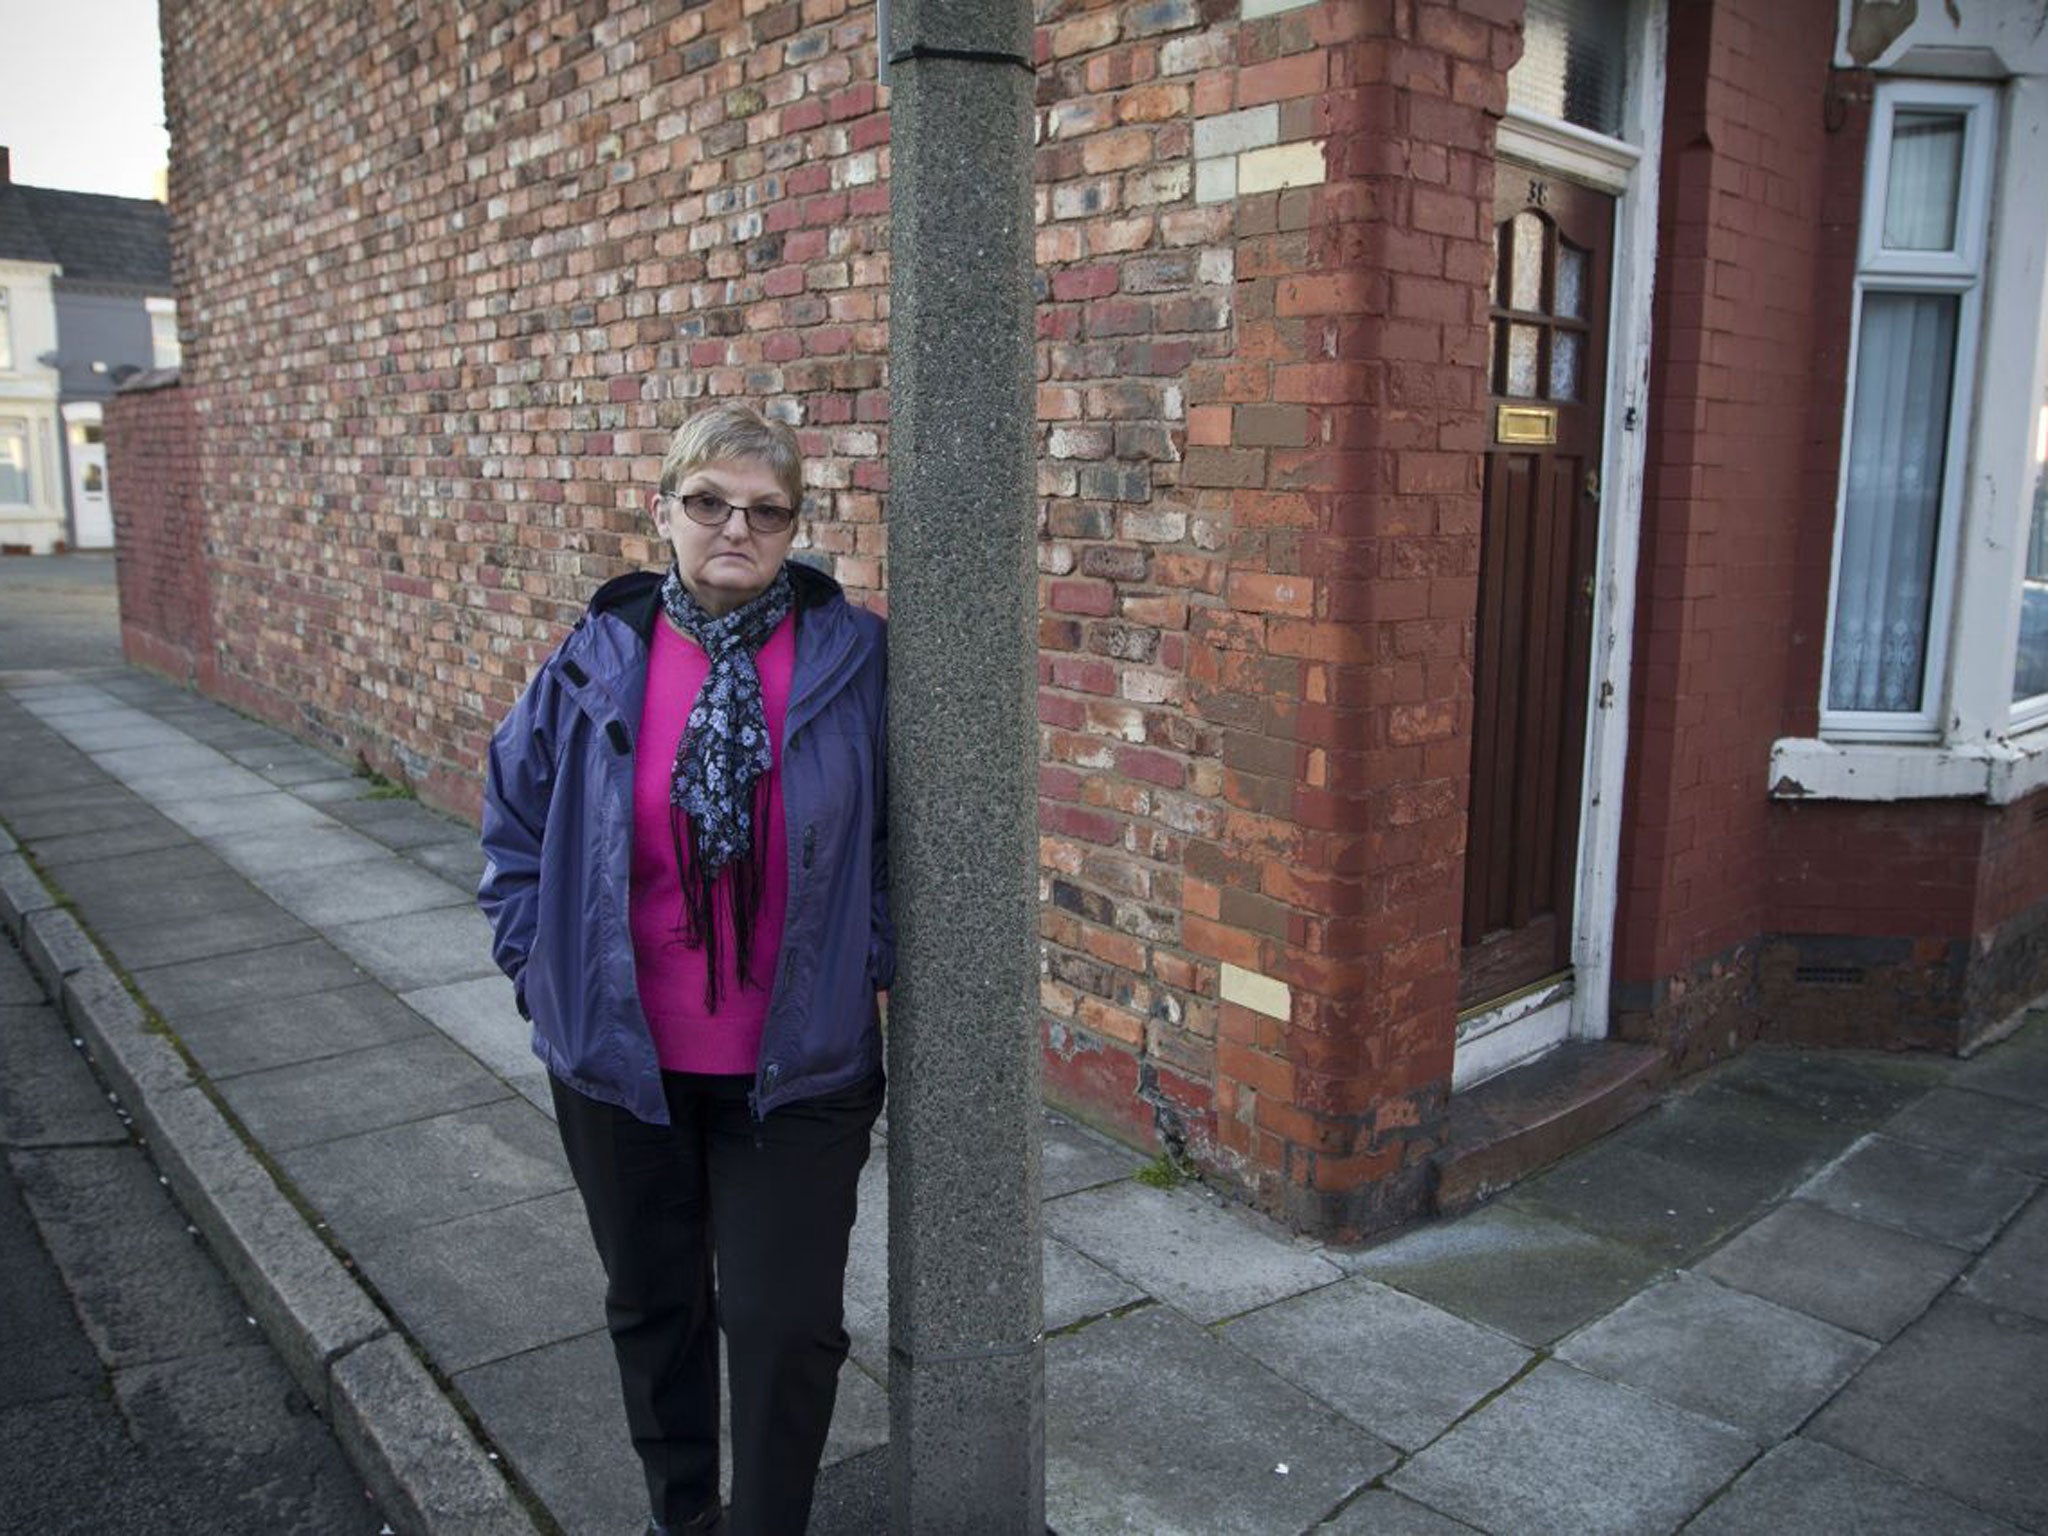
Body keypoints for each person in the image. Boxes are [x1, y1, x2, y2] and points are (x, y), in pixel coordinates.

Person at [478, 401, 891, 1536]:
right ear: (662, 511)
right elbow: (512, 826)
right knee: (654, 1306)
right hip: (622, 1064)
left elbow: (911, 840)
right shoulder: (593, 657)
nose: (735, 528)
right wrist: (541, 972)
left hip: (799, 1069)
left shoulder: (855, 661)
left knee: (784, 1323)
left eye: (766, 510)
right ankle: (682, 1516)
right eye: (708, 502)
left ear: (795, 527)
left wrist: (870, 957)